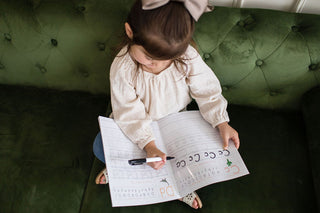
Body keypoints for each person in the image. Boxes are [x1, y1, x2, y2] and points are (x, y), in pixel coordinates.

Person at [93, 0, 240, 209]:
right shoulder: (123, 66)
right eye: (150, 58)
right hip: (134, 124)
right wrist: (149, 145)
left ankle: (180, 185)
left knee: (183, 155)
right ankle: (120, 169)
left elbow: (207, 90)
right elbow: (128, 110)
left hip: (175, 120)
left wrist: (221, 122)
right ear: (130, 31)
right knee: (100, 146)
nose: (158, 65)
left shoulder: (186, 56)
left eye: (168, 59)